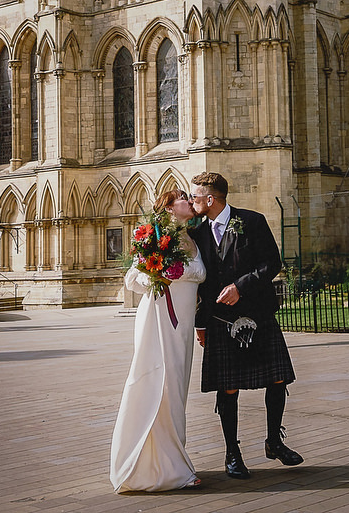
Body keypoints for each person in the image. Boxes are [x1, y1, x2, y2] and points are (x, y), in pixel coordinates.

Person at [189, 171, 300, 480]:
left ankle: (274, 442)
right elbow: (199, 286)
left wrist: (241, 285)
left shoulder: (251, 222)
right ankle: (232, 453)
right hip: (220, 321)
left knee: (277, 380)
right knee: (229, 387)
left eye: (195, 196)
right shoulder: (197, 233)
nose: (191, 200)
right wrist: (200, 324)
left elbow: (272, 263)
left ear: (210, 199)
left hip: (259, 315)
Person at [109, 189, 208, 492]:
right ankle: (171, 470)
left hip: (183, 328)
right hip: (159, 320)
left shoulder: (193, 238)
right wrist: (154, 272)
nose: (190, 199)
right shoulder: (155, 236)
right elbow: (132, 280)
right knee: (159, 386)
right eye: (182, 196)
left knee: (176, 390)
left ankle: (172, 459)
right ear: (168, 208)